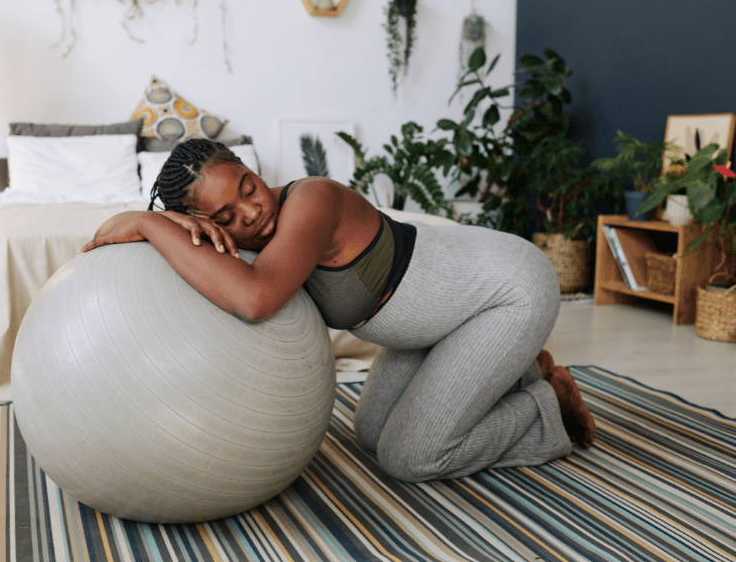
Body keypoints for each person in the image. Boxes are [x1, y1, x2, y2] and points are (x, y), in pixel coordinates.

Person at [81, 139, 595, 482]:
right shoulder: (248, 240)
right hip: (438, 325)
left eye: (248, 187)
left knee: (409, 458)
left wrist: (149, 225)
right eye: (224, 216)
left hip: (509, 291)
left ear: (253, 171)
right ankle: (518, 370)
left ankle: (548, 406)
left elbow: (255, 299)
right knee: (369, 436)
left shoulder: (312, 202)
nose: (253, 211)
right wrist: (161, 220)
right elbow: (116, 241)